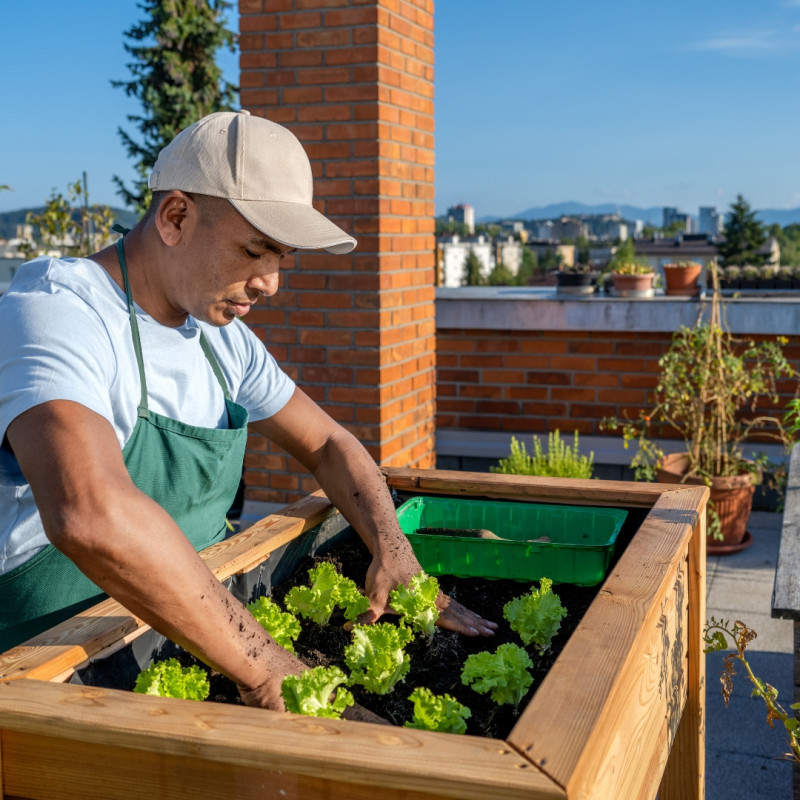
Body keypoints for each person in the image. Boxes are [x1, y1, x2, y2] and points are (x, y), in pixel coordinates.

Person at [0, 110, 496, 710]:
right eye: (254, 250)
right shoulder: (56, 313)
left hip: (199, 641)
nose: (271, 282)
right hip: (59, 673)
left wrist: (395, 551)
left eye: (281, 257)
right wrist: (264, 665)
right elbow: (90, 514)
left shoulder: (221, 340)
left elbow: (330, 445)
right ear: (176, 216)